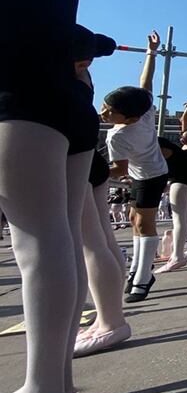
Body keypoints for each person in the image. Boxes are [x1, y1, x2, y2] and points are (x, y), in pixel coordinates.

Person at [0, 0, 95, 393]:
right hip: (68, 107)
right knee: (58, 237)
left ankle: (46, 386)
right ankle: (53, 377)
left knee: (38, 244)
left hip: (20, 108)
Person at [70, 26, 132, 358]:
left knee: (90, 242)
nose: (105, 113)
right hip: (87, 158)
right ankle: (108, 315)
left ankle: (110, 319)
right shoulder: (81, 79)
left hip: (73, 155)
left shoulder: (117, 135)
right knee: (100, 239)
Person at [102, 31, 170, 306]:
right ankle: (137, 269)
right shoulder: (143, 112)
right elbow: (146, 82)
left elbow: (119, 169)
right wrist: (151, 52)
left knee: (144, 222)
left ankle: (143, 276)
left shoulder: (116, 136)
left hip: (151, 174)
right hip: (145, 173)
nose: (104, 114)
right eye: (105, 107)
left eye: (110, 112)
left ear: (129, 117)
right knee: (134, 220)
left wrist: (89, 171)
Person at [155, 101, 187, 272]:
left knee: (180, 220)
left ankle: (177, 256)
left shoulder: (184, 148)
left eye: (184, 135)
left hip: (181, 181)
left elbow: (185, 122)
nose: (181, 136)